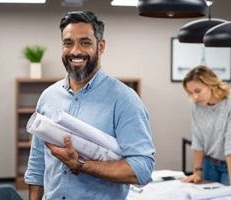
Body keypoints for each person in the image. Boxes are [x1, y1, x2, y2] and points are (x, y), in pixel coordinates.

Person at [24, 11, 155, 200]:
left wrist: (79, 164)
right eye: (68, 43)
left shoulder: (124, 100)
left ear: (101, 47)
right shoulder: (48, 97)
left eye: (85, 42)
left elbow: (141, 169)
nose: (75, 51)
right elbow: (37, 167)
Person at [181, 65, 231, 193]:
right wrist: (197, 172)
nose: (194, 97)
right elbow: (198, 139)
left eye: (197, 91)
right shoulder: (196, 105)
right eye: (191, 92)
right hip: (210, 163)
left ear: (211, 85)